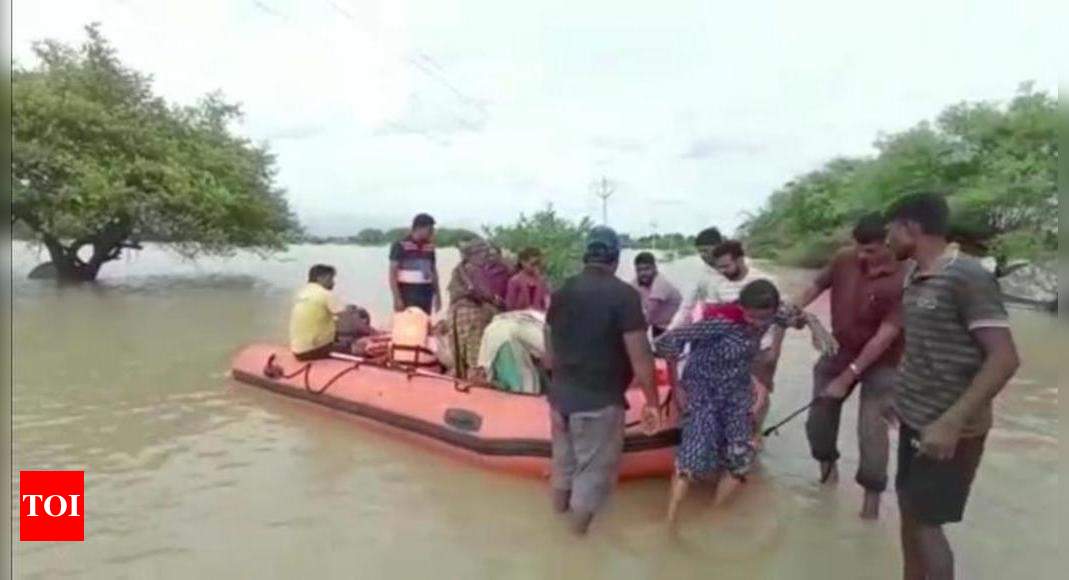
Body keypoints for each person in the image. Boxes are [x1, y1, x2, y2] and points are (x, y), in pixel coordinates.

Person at [886, 193, 1019, 580]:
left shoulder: (968, 277)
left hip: (951, 430)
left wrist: (951, 422)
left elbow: (1005, 358)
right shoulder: (914, 276)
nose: (888, 240)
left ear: (910, 227)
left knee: (928, 525)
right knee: (910, 513)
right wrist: (899, 395)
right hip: (915, 419)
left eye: (891, 231)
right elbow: (924, 346)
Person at [544, 226, 660, 536]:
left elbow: (549, 346)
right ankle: (572, 549)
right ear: (616, 257)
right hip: (598, 400)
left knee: (563, 467)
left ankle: (554, 530)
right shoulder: (624, 296)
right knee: (591, 476)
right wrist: (652, 402)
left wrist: (557, 382)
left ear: (586, 255)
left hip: (560, 398)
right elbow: (640, 354)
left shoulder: (561, 290)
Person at [656, 280, 799, 525]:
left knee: (741, 456)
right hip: (703, 390)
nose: (757, 324)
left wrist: (763, 380)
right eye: (751, 317)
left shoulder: (775, 316)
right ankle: (670, 522)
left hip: (736, 393)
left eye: (764, 319)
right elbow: (666, 342)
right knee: (693, 453)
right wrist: (676, 384)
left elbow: (795, 317)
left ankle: (714, 515)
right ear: (741, 308)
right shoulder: (720, 322)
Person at [792, 214, 906, 520]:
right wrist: (795, 308)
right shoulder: (845, 258)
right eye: (858, 249)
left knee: (872, 433)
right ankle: (827, 481)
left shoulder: (905, 278)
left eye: (869, 250)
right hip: (839, 349)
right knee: (818, 421)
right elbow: (815, 285)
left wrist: (848, 376)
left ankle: (870, 509)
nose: (861, 256)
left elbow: (885, 337)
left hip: (885, 362)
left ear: (888, 244)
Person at [707, 239, 786, 441]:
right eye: (719, 267)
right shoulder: (717, 285)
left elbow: (782, 317)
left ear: (740, 259)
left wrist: (774, 352)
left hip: (764, 347)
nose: (723, 270)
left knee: (762, 391)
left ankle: (755, 434)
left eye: (727, 265)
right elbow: (713, 319)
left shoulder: (766, 280)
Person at [447, 238, 504, 379]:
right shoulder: (475, 270)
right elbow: (485, 294)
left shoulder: (460, 269)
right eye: (484, 252)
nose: (486, 256)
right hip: (472, 316)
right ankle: (477, 385)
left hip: (455, 315)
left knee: (460, 356)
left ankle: (460, 384)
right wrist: (497, 302)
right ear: (476, 254)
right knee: (476, 358)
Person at [669, 226, 725, 329]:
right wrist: (670, 330)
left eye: (706, 250)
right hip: (710, 327)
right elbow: (686, 307)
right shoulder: (701, 274)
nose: (703, 255)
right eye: (700, 252)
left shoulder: (737, 270)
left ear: (719, 247)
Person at [289, 264, 347, 361]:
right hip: (314, 351)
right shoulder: (325, 294)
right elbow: (348, 320)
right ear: (320, 278)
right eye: (330, 278)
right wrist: (371, 332)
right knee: (352, 344)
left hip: (297, 351)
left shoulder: (301, 293)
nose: (333, 282)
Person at [389, 213, 440, 315]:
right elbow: (392, 274)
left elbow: (433, 272)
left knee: (424, 322)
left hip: (426, 292)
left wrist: (438, 296)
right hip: (407, 292)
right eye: (429, 229)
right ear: (419, 228)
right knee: (407, 324)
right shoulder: (400, 245)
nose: (431, 232)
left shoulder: (430, 247)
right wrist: (397, 298)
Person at [630, 251, 682, 338]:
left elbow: (651, 311)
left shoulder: (661, 284)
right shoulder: (637, 282)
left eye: (647, 269)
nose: (643, 273)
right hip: (658, 324)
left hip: (674, 325)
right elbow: (625, 294)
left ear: (655, 268)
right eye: (639, 270)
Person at [505, 247, 551, 312]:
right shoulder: (515, 281)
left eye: (538, 263)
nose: (536, 267)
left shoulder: (542, 281)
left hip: (538, 316)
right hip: (519, 316)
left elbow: (546, 302)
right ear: (523, 262)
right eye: (533, 264)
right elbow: (510, 305)